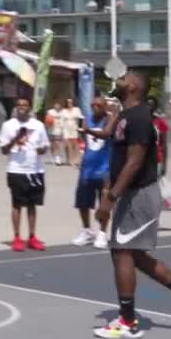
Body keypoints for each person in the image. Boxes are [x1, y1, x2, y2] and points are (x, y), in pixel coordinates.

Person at [94, 71, 171, 339]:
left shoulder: (140, 117)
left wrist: (109, 201)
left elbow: (134, 163)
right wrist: (109, 192)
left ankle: (127, 322)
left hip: (140, 196)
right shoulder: (124, 116)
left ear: (132, 86)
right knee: (137, 258)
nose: (117, 81)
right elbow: (120, 160)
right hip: (129, 195)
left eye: (122, 78)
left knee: (121, 252)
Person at [0, 98, 48, 252]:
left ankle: (32, 236)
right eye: (19, 105)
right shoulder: (8, 125)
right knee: (17, 205)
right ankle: (17, 237)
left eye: (25, 105)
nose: (22, 107)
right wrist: (15, 138)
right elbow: (4, 150)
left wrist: (41, 150)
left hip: (35, 170)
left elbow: (45, 146)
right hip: (16, 170)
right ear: (16, 108)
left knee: (32, 205)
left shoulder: (38, 125)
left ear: (29, 108)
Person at [73, 96, 114, 249]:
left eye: (98, 105)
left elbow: (107, 134)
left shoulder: (110, 119)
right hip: (88, 167)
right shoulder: (87, 118)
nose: (95, 108)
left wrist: (89, 130)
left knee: (104, 203)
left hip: (104, 168)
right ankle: (86, 231)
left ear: (105, 107)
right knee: (83, 202)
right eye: (93, 105)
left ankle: (102, 232)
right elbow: (84, 138)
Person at [146, 97, 170, 176]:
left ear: (155, 107)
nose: (149, 107)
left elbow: (164, 144)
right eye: (147, 104)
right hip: (142, 160)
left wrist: (164, 164)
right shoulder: (138, 121)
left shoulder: (160, 122)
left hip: (157, 159)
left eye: (151, 105)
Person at [60, 98, 83, 166]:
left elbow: (80, 118)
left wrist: (80, 128)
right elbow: (61, 121)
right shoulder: (63, 111)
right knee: (68, 144)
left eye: (71, 102)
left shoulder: (77, 109)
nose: (69, 104)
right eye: (68, 102)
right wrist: (62, 130)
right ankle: (70, 160)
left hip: (74, 128)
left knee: (75, 144)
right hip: (66, 128)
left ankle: (77, 159)